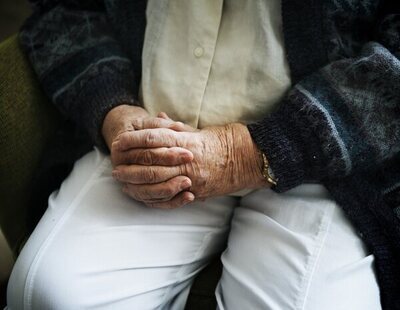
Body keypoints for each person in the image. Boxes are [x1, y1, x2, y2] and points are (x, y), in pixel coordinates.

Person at [6, 0, 400, 309]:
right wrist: (112, 107)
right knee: (50, 293)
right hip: (155, 129)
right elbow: (63, 9)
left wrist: (246, 154)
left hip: (322, 160)